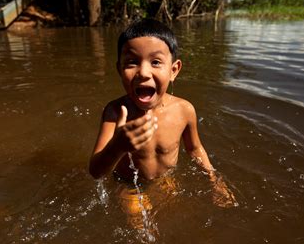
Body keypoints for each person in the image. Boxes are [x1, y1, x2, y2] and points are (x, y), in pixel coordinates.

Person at [89, 19, 236, 222]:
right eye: (132, 62)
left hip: (165, 181)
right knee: (138, 224)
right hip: (129, 186)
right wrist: (118, 145)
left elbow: (194, 149)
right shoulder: (115, 112)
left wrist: (214, 179)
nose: (143, 72)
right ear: (119, 69)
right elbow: (96, 171)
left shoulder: (184, 110)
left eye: (156, 62)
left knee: (179, 220)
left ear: (174, 70)